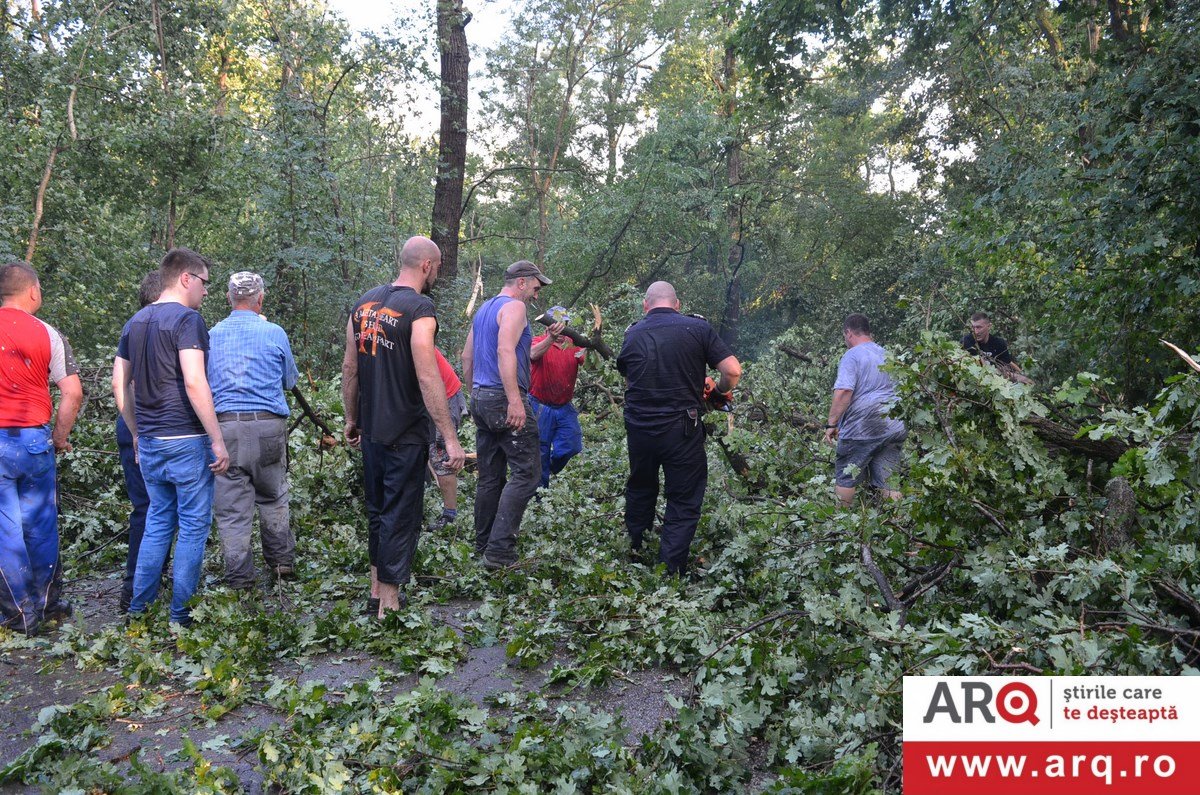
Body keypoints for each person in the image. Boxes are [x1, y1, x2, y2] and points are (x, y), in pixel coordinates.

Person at [342, 236, 464, 616]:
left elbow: (349, 367)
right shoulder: (420, 308)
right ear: (426, 265)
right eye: (438, 267)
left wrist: (351, 418)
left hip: (372, 430)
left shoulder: (363, 303)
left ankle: (376, 591)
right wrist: (450, 437)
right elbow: (428, 377)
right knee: (401, 515)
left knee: (378, 510)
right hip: (405, 433)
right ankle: (389, 607)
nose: (436, 274)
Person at [113, 247, 230, 627]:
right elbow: (195, 382)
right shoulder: (187, 320)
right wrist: (216, 439)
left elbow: (120, 385)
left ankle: (139, 611)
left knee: (158, 522)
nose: (207, 292)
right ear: (185, 278)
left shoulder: (135, 321)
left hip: (149, 442)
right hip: (185, 440)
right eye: (205, 282)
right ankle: (181, 616)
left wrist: (134, 431)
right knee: (194, 525)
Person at [617, 281, 741, 575]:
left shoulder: (632, 334)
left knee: (641, 486)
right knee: (683, 497)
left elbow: (630, 379)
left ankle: (635, 550)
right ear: (678, 304)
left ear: (645, 306)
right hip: (680, 428)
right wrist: (719, 392)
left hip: (639, 428)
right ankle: (670, 570)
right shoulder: (697, 329)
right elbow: (732, 370)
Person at [0, 261, 83, 635]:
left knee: (6, 531)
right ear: (32, 291)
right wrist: (59, 437)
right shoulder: (48, 333)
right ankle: (47, 603)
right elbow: (72, 393)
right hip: (33, 441)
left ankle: (19, 615)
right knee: (40, 525)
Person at [208, 271, 300, 590]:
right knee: (273, 494)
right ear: (260, 299)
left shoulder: (211, 335)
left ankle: (239, 577)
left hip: (226, 429)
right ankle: (281, 563)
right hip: (268, 427)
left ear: (229, 298)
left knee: (232, 509)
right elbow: (290, 381)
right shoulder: (274, 333)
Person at [461, 260, 550, 569]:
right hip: (504, 397)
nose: (536, 295)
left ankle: (482, 544)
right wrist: (513, 400)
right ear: (522, 283)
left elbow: (466, 356)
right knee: (527, 474)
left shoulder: (484, 310)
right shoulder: (514, 308)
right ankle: (499, 553)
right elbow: (504, 351)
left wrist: (476, 394)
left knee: (490, 477)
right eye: (536, 288)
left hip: (483, 397)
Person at [113, 270, 162, 613]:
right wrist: (136, 434)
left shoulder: (133, 326)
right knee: (152, 510)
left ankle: (143, 584)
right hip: (146, 429)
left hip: (136, 427)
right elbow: (126, 386)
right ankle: (137, 589)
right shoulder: (152, 327)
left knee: (148, 510)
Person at [823, 313, 907, 507]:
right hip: (894, 425)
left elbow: (844, 391)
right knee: (889, 482)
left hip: (864, 427)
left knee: (846, 475)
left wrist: (831, 424)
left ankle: (840, 526)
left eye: (845, 337)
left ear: (849, 333)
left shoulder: (851, 355)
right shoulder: (887, 354)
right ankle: (903, 527)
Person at [529, 307, 585, 488]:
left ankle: (550, 467)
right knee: (541, 451)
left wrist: (592, 346)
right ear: (547, 326)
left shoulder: (573, 345)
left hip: (564, 407)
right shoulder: (538, 341)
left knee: (572, 444)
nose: (561, 329)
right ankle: (539, 496)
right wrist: (551, 338)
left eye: (565, 325)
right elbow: (532, 354)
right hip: (540, 406)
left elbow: (591, 364)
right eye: (556, 325)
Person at [428, 348, 466, 532]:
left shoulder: (412, 335)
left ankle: (449, 517)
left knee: (440, 454)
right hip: (423, 397)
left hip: (445, 396)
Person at [961, 311, 1032, 384]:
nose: (976, 332)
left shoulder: (999, 343)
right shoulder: (966, 341)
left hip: (999, 378)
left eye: (979, 327)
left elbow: (1007, 364)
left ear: (989, 326)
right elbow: (982, 365)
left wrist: (1023, 375)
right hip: (977, 379)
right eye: (973, 327)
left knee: (1026, 380)